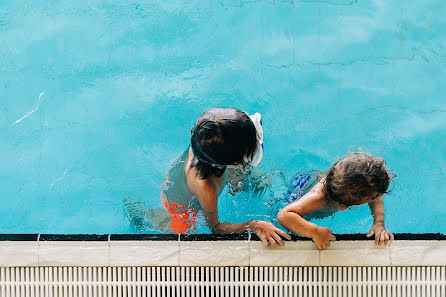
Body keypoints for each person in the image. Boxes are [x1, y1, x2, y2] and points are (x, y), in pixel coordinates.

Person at [132, 107, 290, 246]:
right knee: (176, 232)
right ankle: (138, 215)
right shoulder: (207, 189)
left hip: (187, 172)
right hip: (181, 209)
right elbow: (215, 227)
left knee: (246, 176)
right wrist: (254, 225)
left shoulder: (206, 135)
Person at [277, 152, 395, 250]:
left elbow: (376, 193)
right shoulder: (318, 198)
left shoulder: (357, 179)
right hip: (298, 193)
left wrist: (379, 223)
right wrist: (314, 231)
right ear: (342, 207)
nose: (378, 197)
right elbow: (284, 215)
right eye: (374, 196)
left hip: (311, 179)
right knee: (291, 226)